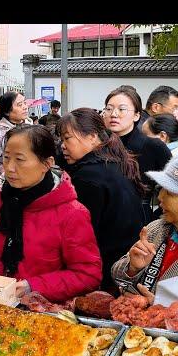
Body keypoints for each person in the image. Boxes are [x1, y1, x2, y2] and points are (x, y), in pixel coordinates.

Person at [0, 125, 102, 303]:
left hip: (40, 314)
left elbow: (87, 274)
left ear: (47, 163)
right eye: (6, 158)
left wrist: (33, 285)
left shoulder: (72, 213)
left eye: (20, 160)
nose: (10, 168)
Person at [58, 108, 146, 295]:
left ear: (92, 136)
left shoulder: (88, 178)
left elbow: (81, 237)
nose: (62, 146)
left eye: (67, 138)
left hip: (105, 274)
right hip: (126, 267)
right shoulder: (114, 162)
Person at [112, 155, 178, 306]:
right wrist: (132, 269)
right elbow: (117, 275)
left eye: (170, 192)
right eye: (161, 188)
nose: (160, 196)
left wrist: (159, 306)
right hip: (136, 326)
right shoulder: (157, 228)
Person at [103, 85, 172, 223]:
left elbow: (173, 187)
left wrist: (155, 221)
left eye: (122, 109)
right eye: (109, 109)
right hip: (102, 220)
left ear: (136, 115)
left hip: (138, 223)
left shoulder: (153, 147)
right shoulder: (96, 146)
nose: (114, 114)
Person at [0, 91, 30, 187]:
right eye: (19, 105)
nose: (25, 107)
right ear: (7, 111)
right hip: (3, 185)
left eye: (25, 103)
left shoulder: (27, 128)